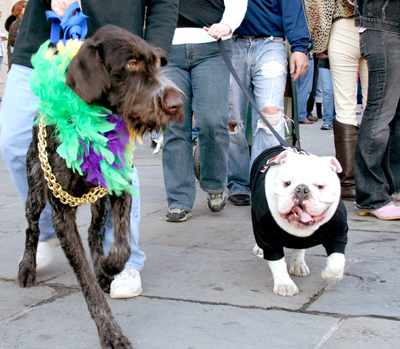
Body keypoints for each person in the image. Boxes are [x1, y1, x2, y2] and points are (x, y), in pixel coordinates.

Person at [0, 0, 179, 298]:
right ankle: (47, 230)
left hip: (117, 53)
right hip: (43, 40)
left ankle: (122, 258)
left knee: (116, 158)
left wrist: (153, 52)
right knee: (14, 141)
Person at [162, 0, 248, 222]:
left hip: (212, 44)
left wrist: (228, 24)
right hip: (168, 47)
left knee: (213, 120)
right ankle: (178, 200)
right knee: (174, 125)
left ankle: (215, 183)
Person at [227, 0, 312, 206]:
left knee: (270, 118)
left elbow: (292, 8)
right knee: (231, 120)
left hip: (271, 42)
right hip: (231, 41)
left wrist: (300, 47)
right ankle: (237, 182)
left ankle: (263, 182)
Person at [305, 0, 368, 200]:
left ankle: (349, 182)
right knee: (376, 108)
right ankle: (376, 179)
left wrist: (319, 41)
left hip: (342, 27)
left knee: (345, 109)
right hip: (378, 27)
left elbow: (318, 3)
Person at [354, 0, 400, 220]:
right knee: (380, 112)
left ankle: (393, 189)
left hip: (390, 25)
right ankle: (371, 196)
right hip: (382, 26)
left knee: (395, 115)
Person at [4, 1, 27, 67]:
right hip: (16, 61)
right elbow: (12, 40)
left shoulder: (24, 23)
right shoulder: (15, 24)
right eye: (24, 7)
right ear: (19, 9)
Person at [317, 55, 335, 130]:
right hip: (324, 61)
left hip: (341, 61)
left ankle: (339, 118)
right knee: (327, 91)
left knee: (339, 92)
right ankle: (328, 120)